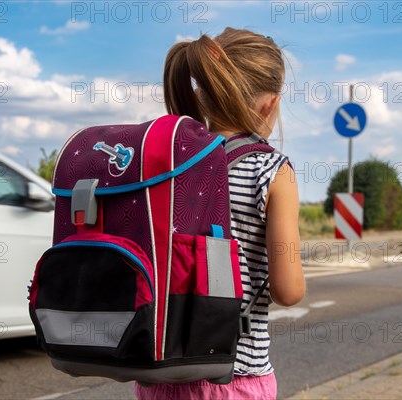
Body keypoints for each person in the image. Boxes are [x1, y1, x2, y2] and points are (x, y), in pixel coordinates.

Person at [134, 28, 306, 400]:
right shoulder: (271, 170)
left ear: (202, 95)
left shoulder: (167, 165)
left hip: (159, 371)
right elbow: (288, 291)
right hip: (234, 377)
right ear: (270, 104)